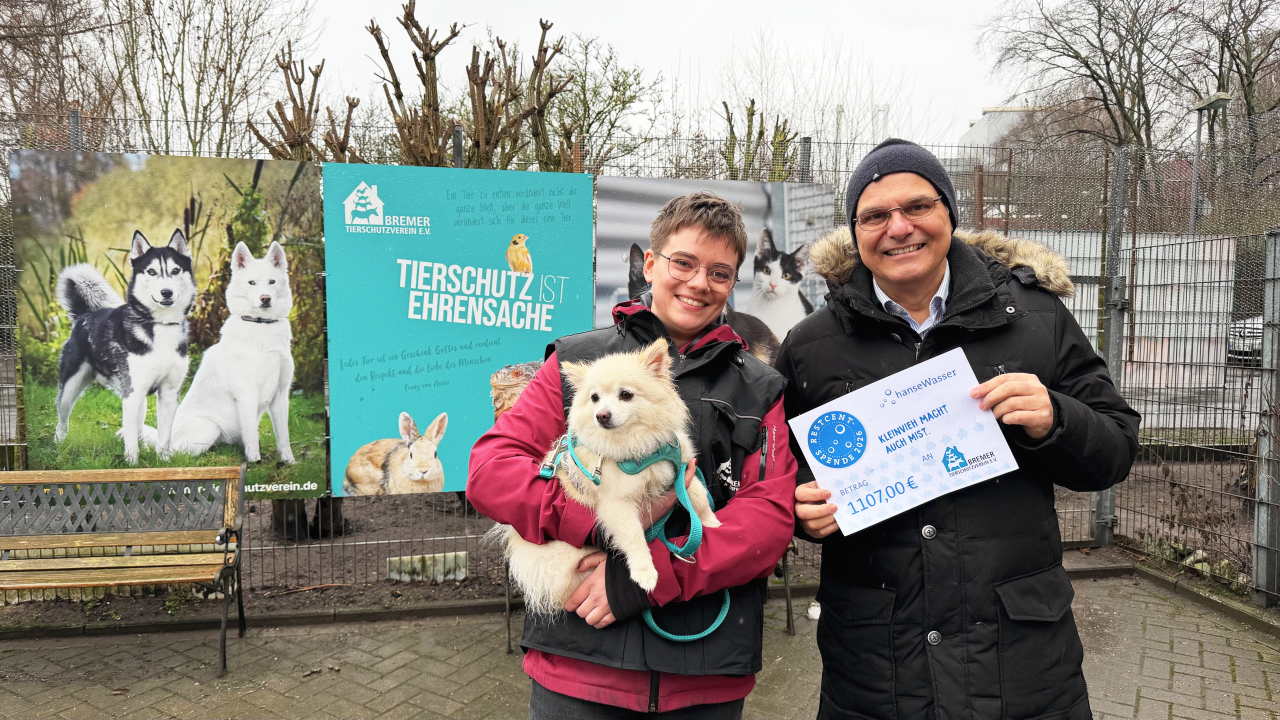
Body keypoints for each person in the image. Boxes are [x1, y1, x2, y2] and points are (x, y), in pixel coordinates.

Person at [775, 139, 1141, 720]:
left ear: (948, 213)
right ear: (855, 232)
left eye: (917, 206)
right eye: (874, 215)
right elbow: (777, 477)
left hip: (1020, 661)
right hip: (876, 668)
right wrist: (801, 515)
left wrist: (1056, 417)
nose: (898, 228)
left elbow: (1116, 448)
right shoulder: (811, 346)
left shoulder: (1036, 316)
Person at [468, 192, 798, 719]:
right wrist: (596, 520)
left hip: (704, 672)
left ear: (733, 282)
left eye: (719, 271)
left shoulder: (759, 388)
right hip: (579, 668)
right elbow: (491, 469)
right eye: (683, 262)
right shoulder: (579, 362)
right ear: (650, 263)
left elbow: (768, 518)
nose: (698, 283)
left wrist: (646, 579)